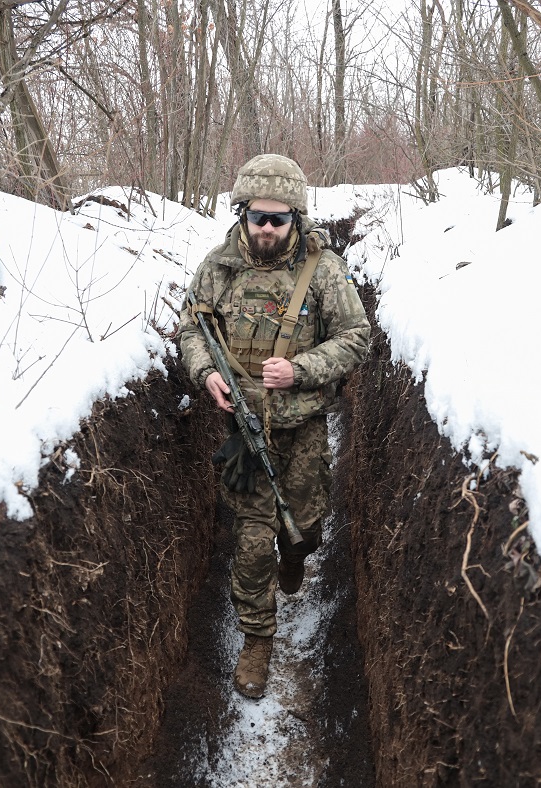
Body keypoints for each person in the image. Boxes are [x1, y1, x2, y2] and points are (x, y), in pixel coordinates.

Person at [176, 154, 370, 699]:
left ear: (295, 218)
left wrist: (300, 370)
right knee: (252, 539)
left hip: (303, 425)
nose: (266, 228)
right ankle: (257, 640)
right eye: (257, 217)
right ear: (242, 213)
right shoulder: (218, 268)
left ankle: (298, 555)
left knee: (306, 523)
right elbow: (191, 328)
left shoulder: (323, 271)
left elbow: (357, 336)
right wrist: (205, 370)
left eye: (277, 219)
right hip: (244, 428)